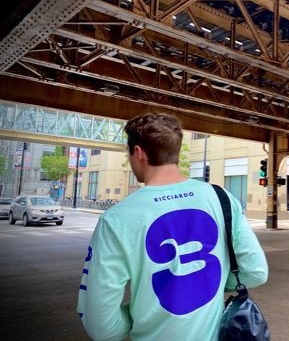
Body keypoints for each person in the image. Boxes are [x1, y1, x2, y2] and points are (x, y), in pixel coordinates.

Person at [77, 112, 268, 341]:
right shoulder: (221, 198)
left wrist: (137, 312)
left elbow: (103, 327)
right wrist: (208, 284)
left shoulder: (116, 219)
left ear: (138, 153)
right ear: (175, 151)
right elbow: (255, 273)